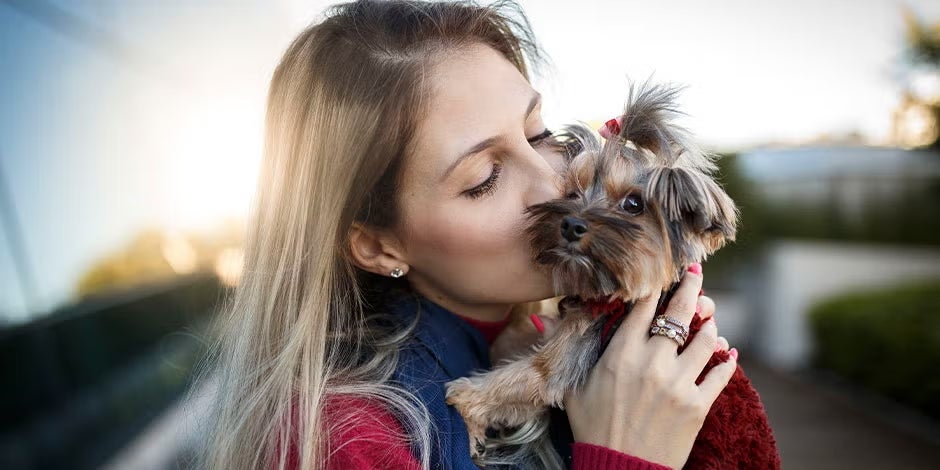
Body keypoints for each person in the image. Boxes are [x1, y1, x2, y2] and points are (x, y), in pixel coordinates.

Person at [199, 1, 739, 469]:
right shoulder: (344, 440)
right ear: (378, 246)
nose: (555, 182)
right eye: (483, 180)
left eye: (539, 133)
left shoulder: (546, 332)